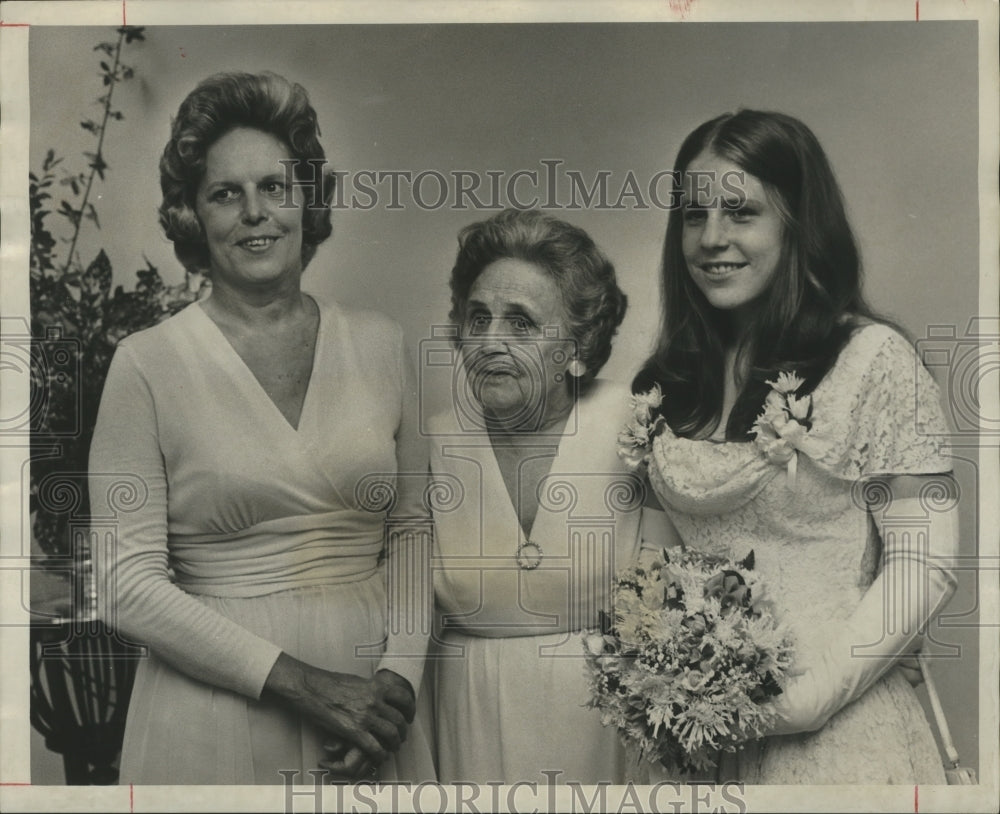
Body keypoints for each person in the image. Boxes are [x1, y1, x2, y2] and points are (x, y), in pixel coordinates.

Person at [89, 71, 434, 784]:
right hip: (215, 707)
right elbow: (124, 584)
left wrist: (397, 679)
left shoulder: (379, 343)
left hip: (372, 706)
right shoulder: (146, 365)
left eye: (275, 187)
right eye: (225, 193)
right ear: (193, 216)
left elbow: (412, 531)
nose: (255, 213)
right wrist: (303, 684)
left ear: (306, 200)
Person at [630, 109, 959, 783]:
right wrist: (663, 677)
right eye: (694, 217)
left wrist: (807, 700)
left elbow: (926, 565)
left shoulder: (873, 358)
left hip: (835, 724)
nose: (711, 239)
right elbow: (661, 570)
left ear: (797, 223)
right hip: (699, 740)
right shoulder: (668, 380)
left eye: (741, 213)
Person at [424, 208, 647, 784]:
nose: (490, 341)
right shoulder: (436, 440)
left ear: (576, 347)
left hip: (606, 731)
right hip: (470, 724)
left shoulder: (632, 422)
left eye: (521, 324)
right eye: (478, 318)